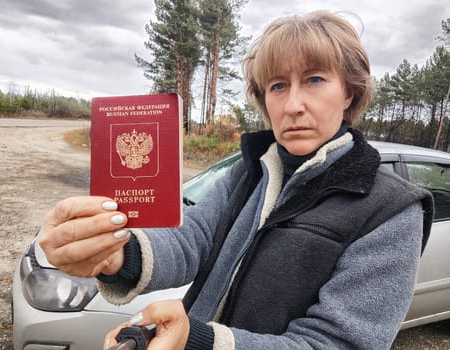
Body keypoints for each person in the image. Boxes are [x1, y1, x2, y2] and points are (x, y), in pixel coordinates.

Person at [40, 10, 434, 350]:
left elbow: (337, 343)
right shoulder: (248, 173)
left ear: (349, 91)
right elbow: (191, 239)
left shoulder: (391, 210)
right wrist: (116, 254)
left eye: (314, 79)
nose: (293, 105)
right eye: (278, 86)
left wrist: (201, 340)